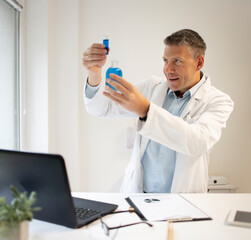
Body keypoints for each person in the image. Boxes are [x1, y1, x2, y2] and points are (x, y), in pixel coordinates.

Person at [82, 29, 234, 193]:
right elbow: (103, 108)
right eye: (165, 60)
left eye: (177, 61)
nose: (168, 69)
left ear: (199, 63)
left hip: (183, 204)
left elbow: (195, 142)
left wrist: (146, 110)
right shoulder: (152, 88)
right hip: (139, 199)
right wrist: (94, 74)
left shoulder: (218, 101)